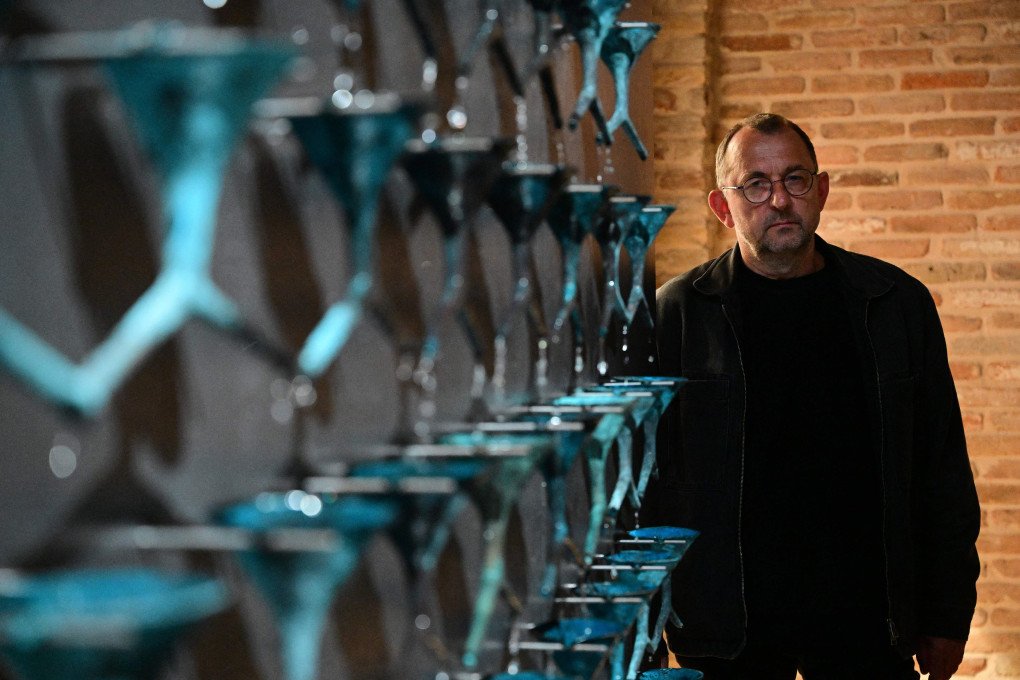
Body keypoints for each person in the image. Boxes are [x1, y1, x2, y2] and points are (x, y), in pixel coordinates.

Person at [642, 113, 980, 680]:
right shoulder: (675, 314)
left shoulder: (895, 303)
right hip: (727, 629)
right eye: (755, 183)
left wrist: (947, 615)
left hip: (870, 623)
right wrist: (650, 627)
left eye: (795, 180)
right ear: (723, 207)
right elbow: (647, 485)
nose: (778, 199)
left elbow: (940, 471)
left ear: (820, 192)